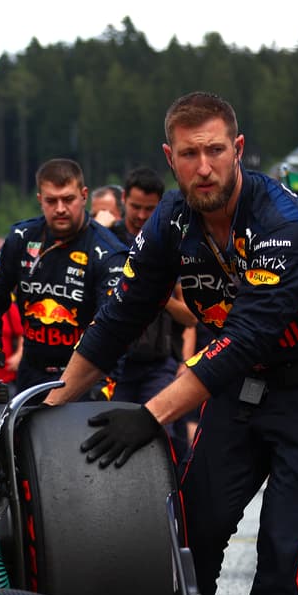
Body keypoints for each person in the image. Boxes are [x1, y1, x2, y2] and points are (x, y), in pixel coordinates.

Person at [46, 92, 298, 595]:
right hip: (237, 391)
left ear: (237, 149)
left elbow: (244, 339)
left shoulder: (283, 222)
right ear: (171, 157)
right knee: (191, 530)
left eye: (216, 150)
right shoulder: (170, 218)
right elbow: (122, 313)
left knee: (290, 551)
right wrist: (55, 400)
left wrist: (151, 414)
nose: (204, 166)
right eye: (190, 154)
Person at [0, 158, 127, 391]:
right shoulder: (22, 237)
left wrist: (104, 385)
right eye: (51, 201)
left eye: (68, 199)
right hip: (31, 371)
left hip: (85, 376)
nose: (60, 208)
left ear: (84, 196)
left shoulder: (108, 251)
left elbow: (114, 326)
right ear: (40, 200)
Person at [108, 168, 197, 461]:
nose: (141, 215)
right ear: (123, 199)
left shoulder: (170, 244)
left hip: (158, 364)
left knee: (160, 435)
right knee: (109, 435)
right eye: (136, 207)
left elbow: (191, 317)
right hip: (115, 364)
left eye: (149, 209)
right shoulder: (106, 242)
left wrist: (158, 295)